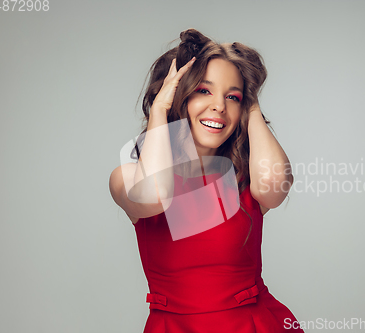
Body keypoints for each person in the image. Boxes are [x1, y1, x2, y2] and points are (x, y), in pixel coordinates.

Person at [109, 29, 304, 333]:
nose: (219, 106)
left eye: (232, 96)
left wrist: (250, 101)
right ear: (176, 95)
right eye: (203, 90)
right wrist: (160, 110)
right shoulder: (128, 177)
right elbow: (155, 195)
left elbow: (275, 187)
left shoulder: (246, 177)